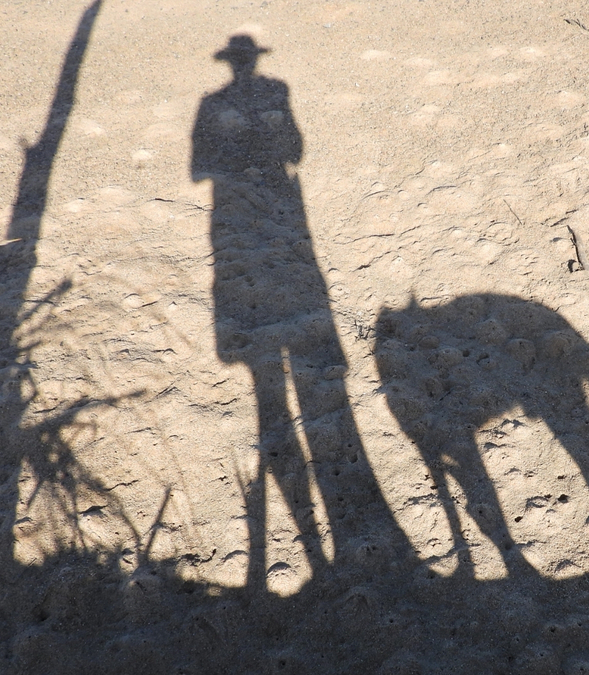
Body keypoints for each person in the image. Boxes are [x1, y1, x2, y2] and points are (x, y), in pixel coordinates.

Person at [191, 36, 407, 591]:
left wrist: (251, 138)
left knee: (274, 389)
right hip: (263, 218)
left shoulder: (234, 100)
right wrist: (253, 139)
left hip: (251, 221)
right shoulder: (238, 100)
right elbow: (242, 159)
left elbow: (229, 162)